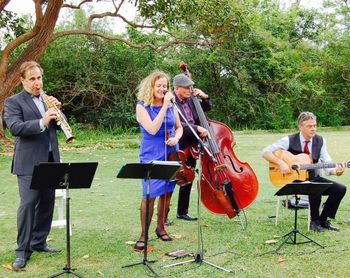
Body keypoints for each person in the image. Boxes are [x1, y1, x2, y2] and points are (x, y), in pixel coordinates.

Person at [4, 61, 62, 270]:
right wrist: (42, 120)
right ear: (22, 80)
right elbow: (15, 128)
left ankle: (39, 242)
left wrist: (57, 112)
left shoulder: (47, 100)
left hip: (50, 159)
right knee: (28, 205)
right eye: (32, 79)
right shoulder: (13, 102)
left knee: (47, 203)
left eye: (39, 78)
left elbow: (54, 128)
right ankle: (22, 251)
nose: (37, 83)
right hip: (28, 162)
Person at [262, 111, 346, 232]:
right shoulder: (288, 140)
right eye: (309, 126)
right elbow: (265, 152)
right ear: (300, 126)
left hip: (312, 177)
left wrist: (337, 171)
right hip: (292, 179)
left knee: (340, 189)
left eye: (315, 125)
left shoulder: (320, 141)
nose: (313, 129)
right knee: (313, 186)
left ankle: (323, 220)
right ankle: (314, 221)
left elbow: (327, 162)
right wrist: (281, 162)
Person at [134, 70, 183, 251]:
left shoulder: (172, 106)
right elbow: (153, 129)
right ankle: (143, 235)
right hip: (151, 153)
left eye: (165, 86)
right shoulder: (142, 107)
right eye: (159, 85)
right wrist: (164, 107)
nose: (163, 89)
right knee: (150, 194)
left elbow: (179, 128)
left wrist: (177, 138)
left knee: (167, 192)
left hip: (171, 152)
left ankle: (161, 227)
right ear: (151, 87)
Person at [173, 73, 212, 221]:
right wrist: (197, 128)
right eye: (187, 87)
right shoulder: (171, 101)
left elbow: (205, 110)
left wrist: (205, 97)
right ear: (177, 88)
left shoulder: (191, 100)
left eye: (191, 87)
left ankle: (182, 211)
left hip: (193, 141)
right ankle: (163, 214)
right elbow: (177, 123)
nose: (190, 90)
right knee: (172, 178)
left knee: (188, 176)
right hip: (179, 141)